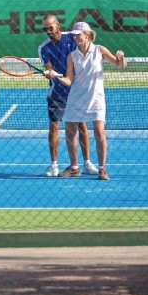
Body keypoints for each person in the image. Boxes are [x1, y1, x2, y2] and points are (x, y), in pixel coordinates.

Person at [48, 20, 127, 181]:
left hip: (96, 99)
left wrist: (121, 57)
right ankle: (74, 167)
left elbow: (120, 65)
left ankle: (102, 169)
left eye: (78, 35)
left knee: (99, 133)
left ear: (88, 35)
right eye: (74, 36)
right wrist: (55, 75)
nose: (75, 38)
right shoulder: (72, 56)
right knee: (70, 132)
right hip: (76, 99)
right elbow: (69, 80)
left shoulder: (99, 50)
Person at [38, 14, 99, 177]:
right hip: (57, 94)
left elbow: (86, 50)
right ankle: (54, 165)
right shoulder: (44, 48)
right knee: (54, 128)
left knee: (82, 127)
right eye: (45, 29)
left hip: (76, 93)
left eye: (50, 27)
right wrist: (50, 73)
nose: (48, 31)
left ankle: (86, 163)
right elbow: (49, 66)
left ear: (58, 25)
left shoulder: (71, 38)